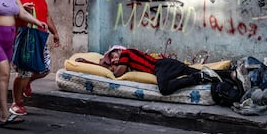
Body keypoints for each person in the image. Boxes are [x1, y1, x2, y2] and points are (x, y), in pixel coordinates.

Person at [9, 0, 60, 116]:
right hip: (23, 38)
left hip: (39, 37)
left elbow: (47, 15)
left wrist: (55, 32)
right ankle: (16, 103)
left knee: (45, 68)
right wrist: (21, 10)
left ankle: (27, 84)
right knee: (24, 71)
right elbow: (5, 17)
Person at [78, 46, 223, 95]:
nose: (115, 61)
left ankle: (197, 78)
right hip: (167, 65)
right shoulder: (128, 60)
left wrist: (105, 65)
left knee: (164, 89)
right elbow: (116, 69)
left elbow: (116, 74)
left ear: (119, 51)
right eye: (112, 60)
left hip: (161, 66)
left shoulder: (127, 53)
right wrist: (88, 62)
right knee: (192, 70)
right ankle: (230, 74)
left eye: (114, 56)